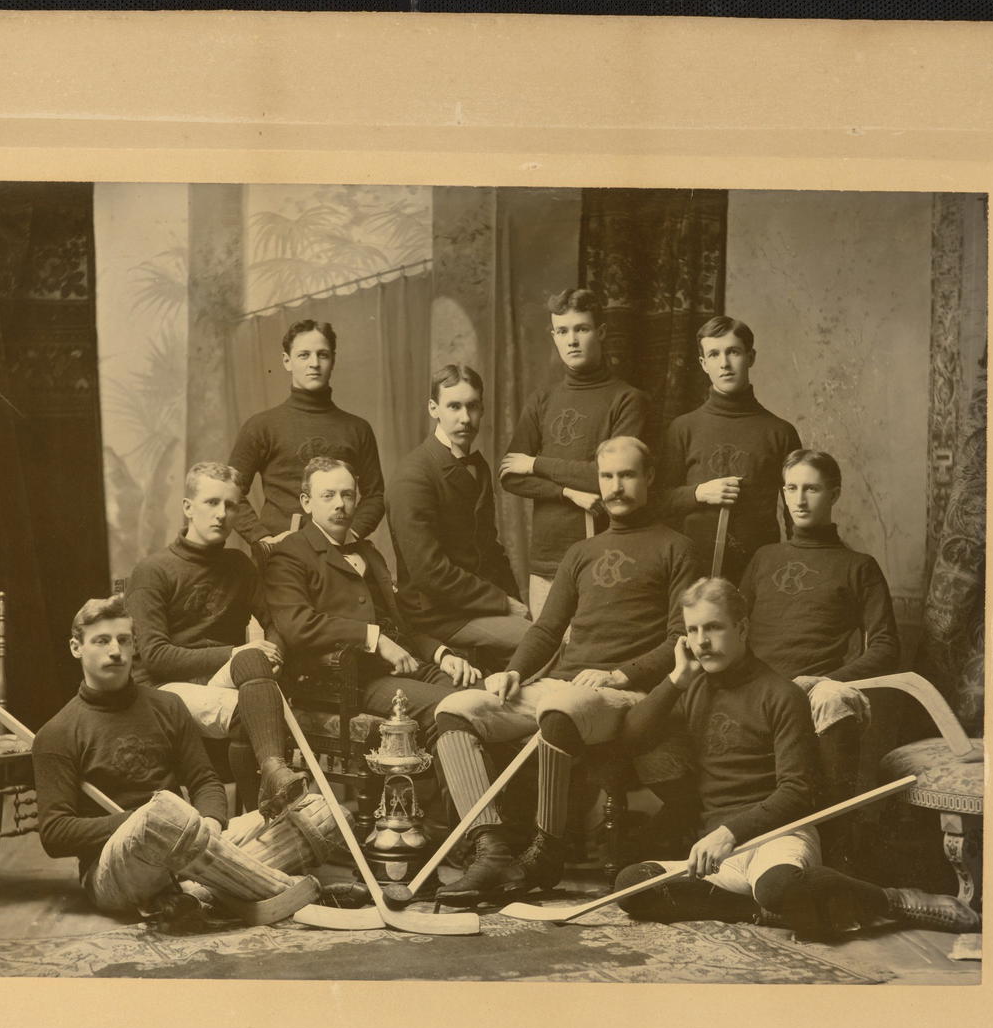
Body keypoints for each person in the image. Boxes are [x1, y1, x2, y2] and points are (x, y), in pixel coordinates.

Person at [610, 578, 977, 937]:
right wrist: (676, 678)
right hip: (720, 850)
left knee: (779, 887)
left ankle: (891, 900)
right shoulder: (692, 690)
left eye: (714, 627)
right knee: (633, 885)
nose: (702, 641)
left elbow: (798, 791)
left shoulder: (780, 694)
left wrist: (729, 832)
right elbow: (631, 739)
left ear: (741, 627)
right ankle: (763, 909)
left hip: (778, 838)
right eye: (693, 630)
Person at [431, 436, 698, 906]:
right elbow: (548, 629)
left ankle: (546, 850)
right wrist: (514, 671)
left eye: (628, 475)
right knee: (455, 709)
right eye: (608, 476)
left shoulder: (676, 547)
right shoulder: (581, 553)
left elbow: (681, 636)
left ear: (649, 478)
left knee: (560, 705)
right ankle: (489, 846)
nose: (617, 486)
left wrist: (621, 675)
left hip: (627, 694)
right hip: (564, 688)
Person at [31, 596, 358, 929]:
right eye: (101, 641)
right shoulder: (57, 733)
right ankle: (286, 892)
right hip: (118, 868)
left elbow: (204, 780)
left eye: (123, 640)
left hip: (191, 844)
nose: (115, 650)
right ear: (76, 647)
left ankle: (187, 897)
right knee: (161, 816)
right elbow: (55, 834)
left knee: (324, 813)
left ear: (133, 647)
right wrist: (145, 821)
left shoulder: (167, 706)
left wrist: (212, 822)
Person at [740, 448, 901, 865]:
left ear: (834, 493)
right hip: (756, 691)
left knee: (833, 698)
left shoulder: (858, 567)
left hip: (813, 693)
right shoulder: (763, 559)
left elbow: (885, 648)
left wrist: (821, 679)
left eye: (811, 488)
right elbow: (735, 632)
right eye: (791, 488)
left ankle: (834, 847)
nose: (799, 499)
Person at [124, 462, 306, 816]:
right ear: (188, 507)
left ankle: (272, 773)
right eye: (211, 503)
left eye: (230, 505)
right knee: (250, 703)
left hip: (221, 679)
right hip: (164, 688)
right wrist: (240, 651)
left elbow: (277, 624)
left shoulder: (238, 565)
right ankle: (256, 817)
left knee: (254, 661)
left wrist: (274, 654)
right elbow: (156, 656)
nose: (222, 514)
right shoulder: (154, 570)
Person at [261, 456, 482, 744]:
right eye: (328, 495)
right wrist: (373, 638)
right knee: (458, 709)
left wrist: (444, 655)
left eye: (347, 495)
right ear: (306, 502)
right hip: (356, 680)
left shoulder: (369, 552)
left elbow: (404, 620)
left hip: (411, 665)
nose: (339, 504)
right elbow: (298, 624)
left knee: (485, 694)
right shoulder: (290, 553)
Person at [498, 288, 650, 617]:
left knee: (594, 661)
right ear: (553, 336)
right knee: (546, 660)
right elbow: (510, 474)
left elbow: (608, 480)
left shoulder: (627, 400)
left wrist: (536, 464)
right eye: (562, 331)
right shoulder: (542, 399)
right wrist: (568, 492)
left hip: (607, 555)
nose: (572, 340)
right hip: (546, 559)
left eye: (581, 329)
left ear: (601, 332)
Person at [388, 364, 530, 670]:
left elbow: (490, 549)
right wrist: (503, 603)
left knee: (542, 637)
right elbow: (430, 572)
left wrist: (518, 604)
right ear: (433, 408)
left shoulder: (477, 468)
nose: (465, 418)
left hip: (476, 605)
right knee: (541, 644)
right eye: (454, 406)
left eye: (473, 406)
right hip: (437, 614)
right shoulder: (414, 475)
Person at [658, 316, 802, 583]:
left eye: (733, 352)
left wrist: (795, 563)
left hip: (758, 571)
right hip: (691, 572)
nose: (724, 363)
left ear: (751, 356)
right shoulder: (683, 428)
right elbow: (658, 500)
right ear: (703, 364)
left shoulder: (780, 432)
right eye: (714, 354)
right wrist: (699, 493)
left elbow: (794, 513)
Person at [228, 319, 385, 553]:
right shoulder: (262, 426)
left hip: (340, 555)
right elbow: (230, 491)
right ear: (287, 361)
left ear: (333, 360)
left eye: (322, 355)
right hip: (279, 557)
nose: (314, 363)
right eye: (304, 355)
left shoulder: (357, 429)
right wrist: (262, 538)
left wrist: (352, 533)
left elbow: (375, 496)